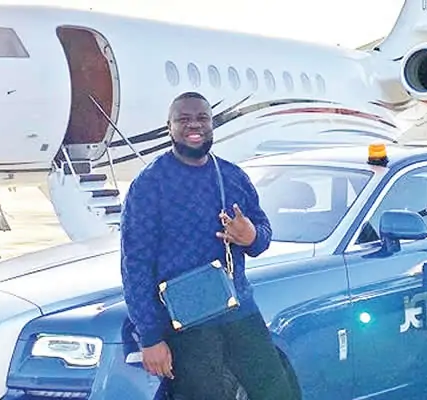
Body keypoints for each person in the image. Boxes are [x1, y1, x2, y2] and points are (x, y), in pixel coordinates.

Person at [120, 91, 297, 399]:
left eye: (202, 118)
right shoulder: (149, 185)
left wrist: (252, 236)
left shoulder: (232, 176)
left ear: (212, 124)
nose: (194, 125)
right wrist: (150, 338)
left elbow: (262, 235)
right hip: (187, 324)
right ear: (169, 127)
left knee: (278, 392)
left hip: (239, 311)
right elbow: (135, 265)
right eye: (184, 119)